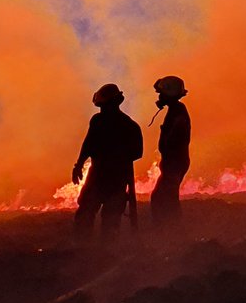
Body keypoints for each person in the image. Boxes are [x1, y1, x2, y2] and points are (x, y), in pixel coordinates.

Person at [72, 83, 144, 241]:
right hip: (115, 178)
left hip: (102, 177)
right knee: (106, 218)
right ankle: (102, 248)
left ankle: (86, 247)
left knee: (90, 214)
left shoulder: (99, 121)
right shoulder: (130, 126)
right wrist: (79, 165)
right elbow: (137, 153)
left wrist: (79, 165)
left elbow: (88, 145)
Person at [149, 75, 191, 228]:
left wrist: (167, 147)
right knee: (165, 198)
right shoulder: (175, 110)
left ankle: (170, 230)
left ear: (169, 94)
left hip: (175, 163)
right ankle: (171, 229)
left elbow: (175, 138)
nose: (159, 97)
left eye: (161, 93)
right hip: (173, 163)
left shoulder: (178, 113)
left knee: (163, 199)